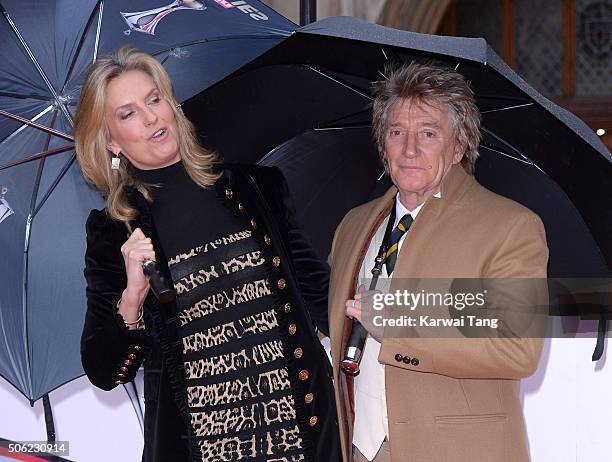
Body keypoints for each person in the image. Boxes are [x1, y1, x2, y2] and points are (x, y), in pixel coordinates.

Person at [75, 45, 339, 462]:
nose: (150, 118)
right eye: (127, 114)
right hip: (198, 446)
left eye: (154, 99)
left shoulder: (257, 187)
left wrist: (399, 321)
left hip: (301, 431)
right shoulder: (113, 233)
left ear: (172, 104)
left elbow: (320, 295)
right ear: (110, 141)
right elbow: (104, 369)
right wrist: (132, 296)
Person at [327, 62, 548, 462]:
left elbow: (519, 349)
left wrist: (400, 327)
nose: (409, 149)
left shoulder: (510, 226)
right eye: (397, 133)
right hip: (358, 447)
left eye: (428, 133)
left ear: (458, 147)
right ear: (383, 143)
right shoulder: (352, 225)